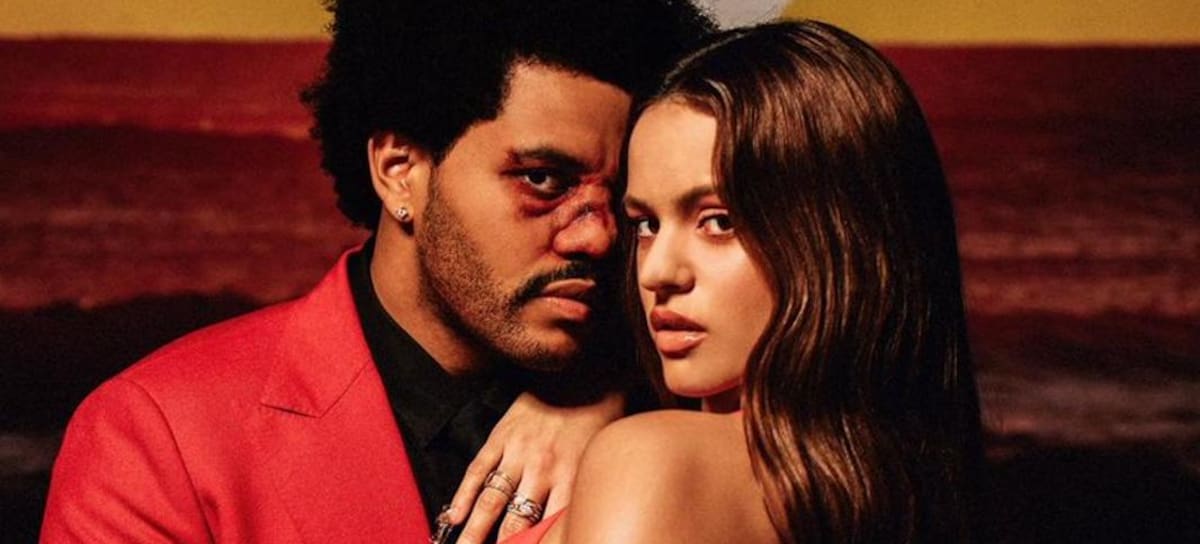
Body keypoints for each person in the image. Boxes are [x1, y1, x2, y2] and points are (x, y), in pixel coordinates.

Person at [39, 1, 713, 542]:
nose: (598, 234)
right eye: (542, 179)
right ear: (400, 171)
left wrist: (621, 412)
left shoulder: (684, 404)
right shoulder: (157, 437)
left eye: (623, 200)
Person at [506, 20, 983, 544]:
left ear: (840, 241)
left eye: (719, 221)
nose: (657, 271)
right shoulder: (883, 495)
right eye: (646, 224)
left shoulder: (656, 460)